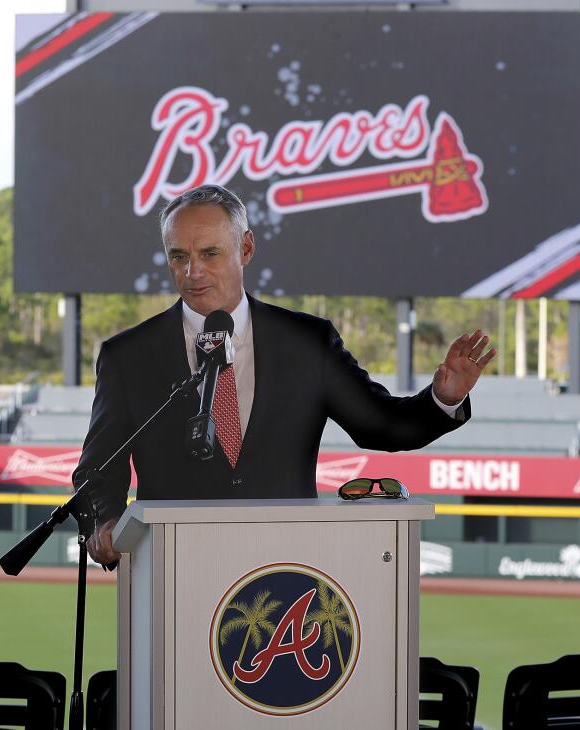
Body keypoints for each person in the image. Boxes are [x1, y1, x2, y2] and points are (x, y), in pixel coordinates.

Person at [75, 184, 494, 567]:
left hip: (286, 573)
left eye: (209, 253)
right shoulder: (127, 356)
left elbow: (381, 426)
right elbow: (97, 470)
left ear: (246, 248)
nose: (192, 272)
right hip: (172, 571)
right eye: (178, 257)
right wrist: (104, 520)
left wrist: (443, 399)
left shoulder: (307, 342)